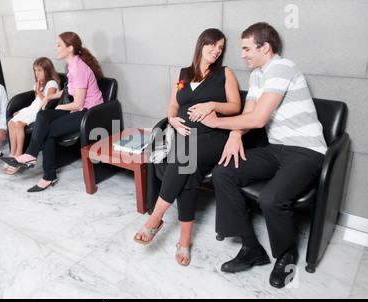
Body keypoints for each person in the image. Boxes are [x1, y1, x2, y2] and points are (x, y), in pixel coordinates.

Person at [200, 22, 327, 288]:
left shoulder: (282, 67)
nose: (242, 54)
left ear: (265, 47)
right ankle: (250, 248)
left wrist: (215, 122)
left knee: (271, 199)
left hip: (305, 150)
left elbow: (257, 119)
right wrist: (235, 136)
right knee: (224, 171)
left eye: (247, 48)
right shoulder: (258, 74)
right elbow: (247, 116)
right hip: (275, 149)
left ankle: (285, 254)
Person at [134, 29, 241, 266]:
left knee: (186, 156)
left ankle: (155, 219)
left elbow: (235, 106)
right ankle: (184, 241)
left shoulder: (224, 73)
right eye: (213, 44)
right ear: (201, 45)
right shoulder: (183, 74)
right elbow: (172, 106)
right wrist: (172, 119)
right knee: (187, 168)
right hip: (184, 137)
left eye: (221, 48)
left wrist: (212, 104)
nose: (216, 50)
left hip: (214, 135)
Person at [1, 32, 103, 192]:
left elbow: (78, 102)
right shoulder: (73, 65)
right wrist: (48, 98)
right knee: (42, 115)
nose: (55, 48)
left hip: (89, 113)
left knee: (47, 130)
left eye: (59, 45)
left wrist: (58, 107)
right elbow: (68, 90)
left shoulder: (79, 68)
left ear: (70, 48)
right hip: (78, 109)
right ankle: (33, 156)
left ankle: (47, 173)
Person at [4, 57, 60, 175]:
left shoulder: (52, 83)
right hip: (33, 108)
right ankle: (12, 154)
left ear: (47, 70)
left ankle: (19, 154)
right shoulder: (37, 85)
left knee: (19, 125)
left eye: (39, 70)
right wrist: (22, 110)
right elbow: (34, 102)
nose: (37, 73)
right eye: (35, 70)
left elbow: (46, 100)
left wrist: (38, 89)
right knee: (11, 123)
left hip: (42, 110)